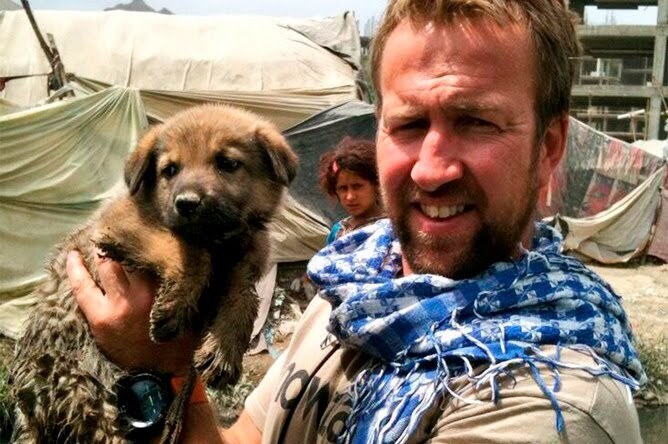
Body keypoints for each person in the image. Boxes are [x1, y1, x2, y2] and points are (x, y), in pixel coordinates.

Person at [67, 0, 646, 442]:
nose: (432, 169)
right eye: (408, 123)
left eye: (477, 122)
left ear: (549, 147)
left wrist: (150, 367)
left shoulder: (550, 402)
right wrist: (168, 374)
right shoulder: (352, 291)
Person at [317, 137, 385, 244]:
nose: (350, 197)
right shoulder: (338, 232)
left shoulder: (393, 228)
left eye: (357, 186)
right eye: (343, 188)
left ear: (376, 184)